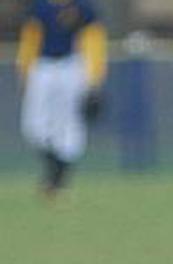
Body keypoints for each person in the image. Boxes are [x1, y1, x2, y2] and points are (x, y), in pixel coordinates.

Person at [16, 0, 107, 199]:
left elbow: (94, 41)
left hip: (72, 66)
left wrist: (94, 81)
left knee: (70, 125)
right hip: (43, 66)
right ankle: (55, 173)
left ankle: (58, 181)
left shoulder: (84, 7)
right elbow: (29, 40)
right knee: (33, 126)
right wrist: (23, 72)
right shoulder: (39, 6)